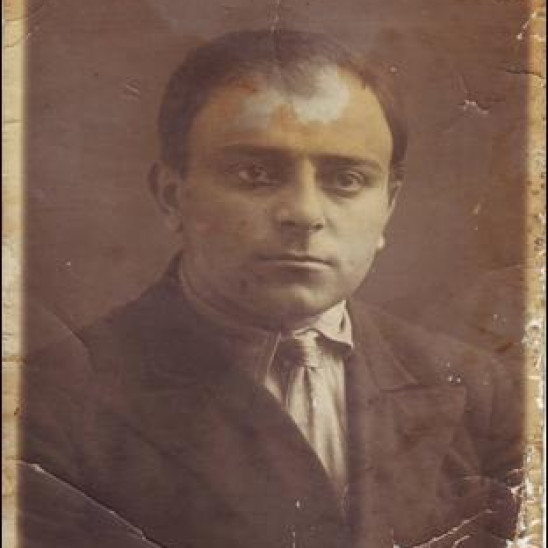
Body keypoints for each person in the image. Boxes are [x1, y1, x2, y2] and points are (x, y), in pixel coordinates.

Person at [18, 29, 523, 548]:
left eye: (346, 179)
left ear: (388, 206)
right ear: (172, 196)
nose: (304, 213)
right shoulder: (48, 404)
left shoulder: (482, 392)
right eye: (255, 173)